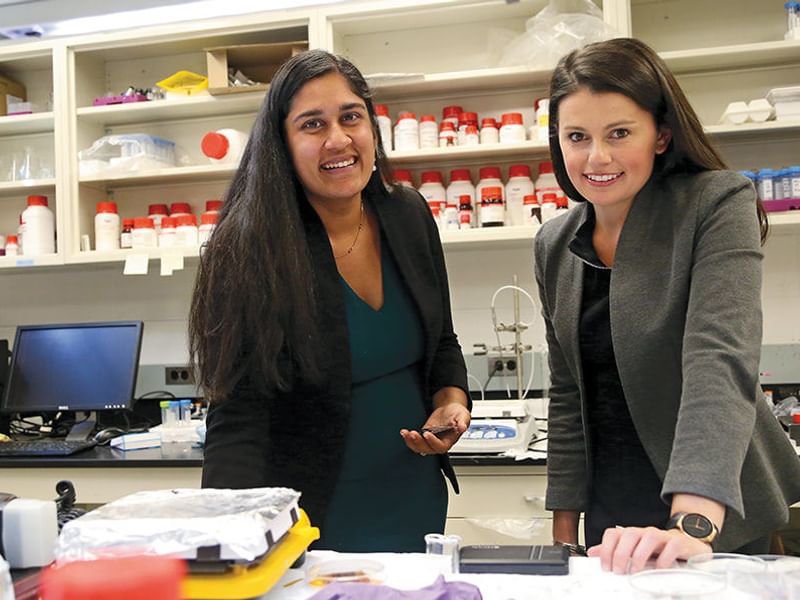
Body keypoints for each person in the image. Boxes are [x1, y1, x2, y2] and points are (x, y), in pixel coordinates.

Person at [534, 37, 800, 573]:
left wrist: (692, 523)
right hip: (610, 512)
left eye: (620, 133)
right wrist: (564, 527)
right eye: (577, 137)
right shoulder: (555, 243)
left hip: (714, 507)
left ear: (661, 135)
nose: (597, 157)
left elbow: (718, 360)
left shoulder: (715, 203)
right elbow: (568, 392)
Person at [189, 49, 471, 552]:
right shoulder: (248, 250)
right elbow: (237, 418)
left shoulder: (407, 216)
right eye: (312, 124)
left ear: (371, 125)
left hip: (413, 496)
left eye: (350, 117)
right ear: (283, 143)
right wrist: (228, 547)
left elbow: (441, 340)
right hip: (311, 516)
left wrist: (451, 399)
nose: (338, 139)